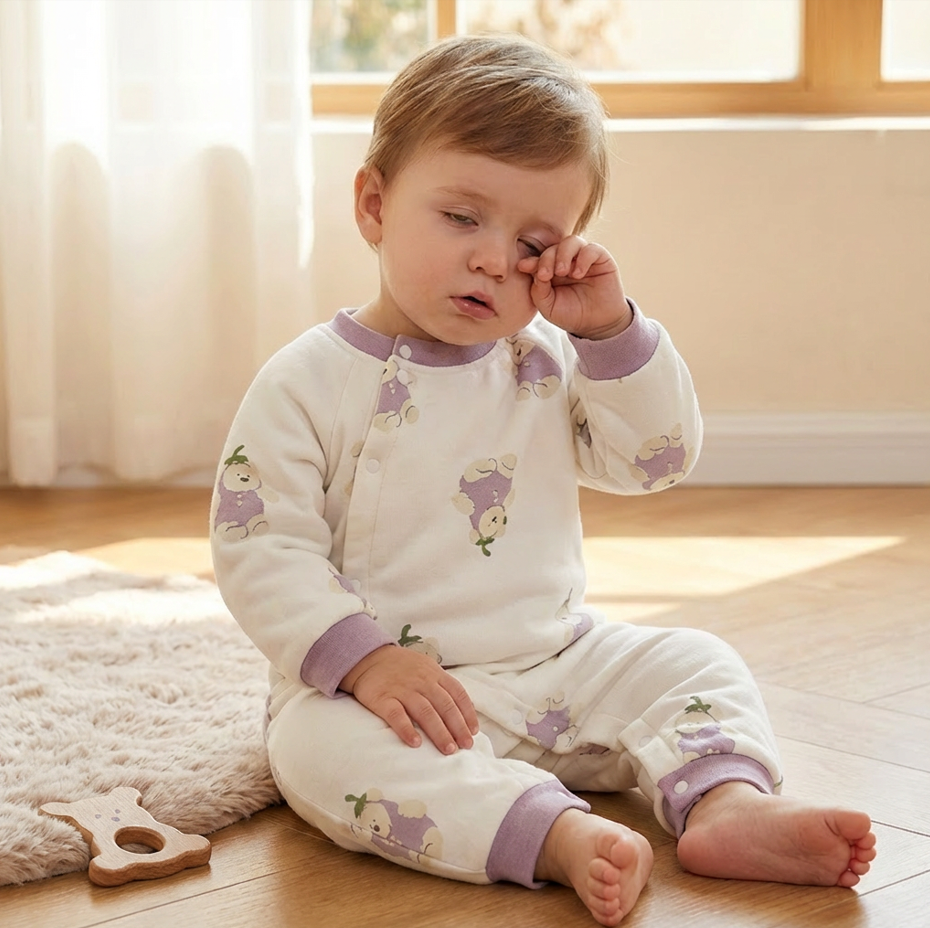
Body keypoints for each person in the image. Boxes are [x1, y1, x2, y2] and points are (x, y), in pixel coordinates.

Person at [210, 34, 876, 926]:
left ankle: (724, 805)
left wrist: (611, 336)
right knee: (319, 756)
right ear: (374, 203)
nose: (493, 258)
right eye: (461, 219)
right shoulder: (306, 382)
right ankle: (552, 835)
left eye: (532, 241)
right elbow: (262, 546)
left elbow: (654, 461)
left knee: (692, 660)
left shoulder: (548, 359)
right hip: (388, 699)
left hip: (558, 663)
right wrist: (363, 661)